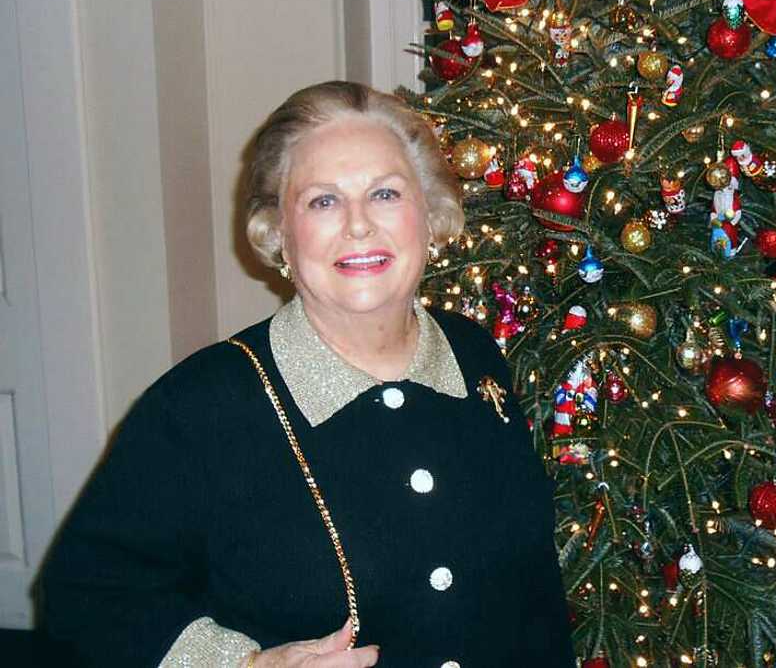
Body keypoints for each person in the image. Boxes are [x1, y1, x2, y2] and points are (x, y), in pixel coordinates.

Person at [39, 82, 575, 668]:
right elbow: (86, 598)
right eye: (323, 201)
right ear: (279, 234)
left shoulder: (474, 356)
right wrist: (243, 666)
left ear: (429, 214)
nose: (359, 225)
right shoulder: (199, 407)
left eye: (386, 193)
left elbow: (531, 593)